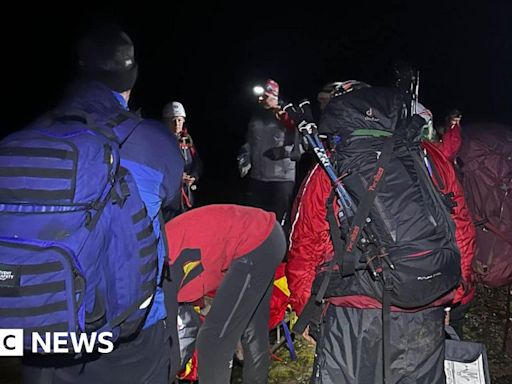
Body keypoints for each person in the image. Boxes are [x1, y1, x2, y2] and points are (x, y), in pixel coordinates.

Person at [22, 24, 184, 384]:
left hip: (40, 328)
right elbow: (171, 201)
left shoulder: (31, 134)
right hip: (128, 333)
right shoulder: (153, 140)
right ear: (132, 75)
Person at [286, 82, 461, 384]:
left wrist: (310, 315)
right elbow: (461, 230)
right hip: (424, 300)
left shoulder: (333, 163)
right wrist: (449, 296)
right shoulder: (430, 158)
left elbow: (305, 246)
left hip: (353, 313)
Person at [165, 204, 286, 384]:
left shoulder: (158, 272)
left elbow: (172, 341)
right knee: (252, 330)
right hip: (267, 233)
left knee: (213, 340)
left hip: (255, 243)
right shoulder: (152, 257)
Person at [238, 79, 301, 223]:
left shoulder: (287, 115)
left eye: (265, 96)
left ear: (275, 97)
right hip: (258, 177)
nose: (261, 100)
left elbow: (303, 144)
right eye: (260, 97)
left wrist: (283, 152)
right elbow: (249, 141)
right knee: (255, 219)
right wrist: (245, 156)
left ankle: (280, 244)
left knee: (277, 221)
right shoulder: (256, 116)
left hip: (281, 179)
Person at [162, 101, 203, 217]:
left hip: (186, 196)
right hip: (168, 199)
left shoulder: (187, 140)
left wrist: (194, 176)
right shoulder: (159, 140)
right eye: (172, 120)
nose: (176, 124)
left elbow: (197, 163)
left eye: (179, 120)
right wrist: (177, 177)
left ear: (184, 120)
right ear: (165, 121)